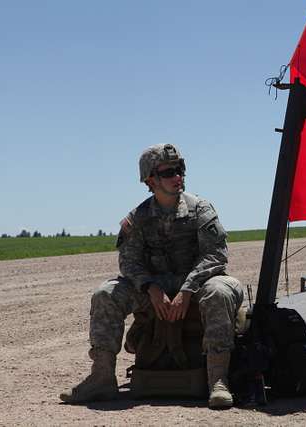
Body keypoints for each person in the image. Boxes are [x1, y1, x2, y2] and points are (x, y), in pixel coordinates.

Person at [60, 143, 244, 409]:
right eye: (169, 172)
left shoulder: (201, 209)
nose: (177, 176)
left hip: (199, 285)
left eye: (180, 169)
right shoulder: (139, 217)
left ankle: (218, 380)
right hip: (155, 292)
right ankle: (102, 378)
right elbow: (129, 261)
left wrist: (187, 289)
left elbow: (215, 256)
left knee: (220, 290)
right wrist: (150, 287)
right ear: (150, 179)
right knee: (105, 293)